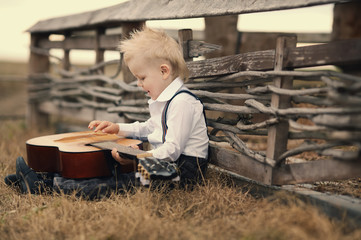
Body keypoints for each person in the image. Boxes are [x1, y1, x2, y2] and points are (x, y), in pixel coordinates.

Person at [4, 27, 209, 198]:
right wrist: (118, 128)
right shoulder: (166, 100)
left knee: (117, 183)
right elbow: (150, 127)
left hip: (180, 174)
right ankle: (43, 178)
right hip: (164, 166)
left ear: (164, 71)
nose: (139, 84)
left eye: (142, 77)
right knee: (115, 170)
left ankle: (45, 187)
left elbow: (172, 149)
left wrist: (138, 157)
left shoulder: (182, 102)